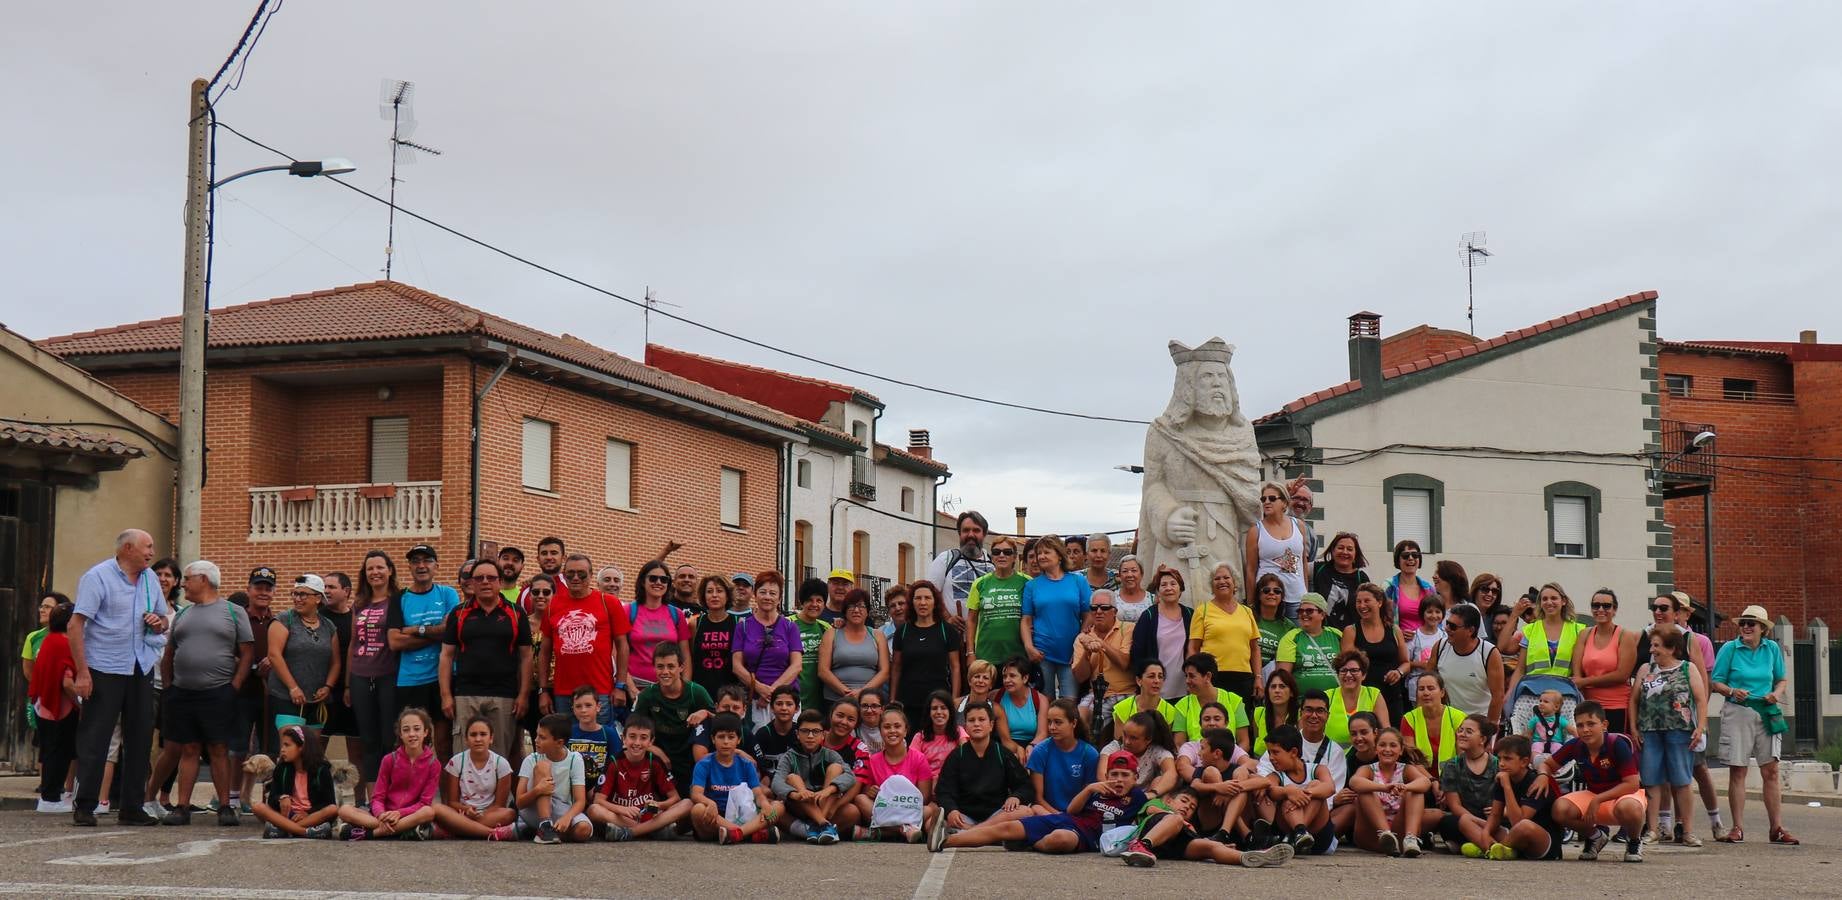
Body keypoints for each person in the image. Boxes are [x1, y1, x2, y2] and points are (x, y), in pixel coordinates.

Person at [68, 528, 169, 827]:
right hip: (104, 667)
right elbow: (76, 625)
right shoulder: (97, 577)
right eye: (147, 547)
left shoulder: (150, 579)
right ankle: (85, 805)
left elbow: (163, 621)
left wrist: (157, 622)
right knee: (96, 737)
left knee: (139, 738)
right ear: (127, 548)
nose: (152, 552)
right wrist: (82, 672)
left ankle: (132, 807)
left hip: (141, 665)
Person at [153, 561, 253, 827]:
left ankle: (225, 807)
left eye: (187, 579)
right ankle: (182, 806)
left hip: (219, 692)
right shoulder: (183, 615)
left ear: (204, 580)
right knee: (189, 748)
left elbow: (247, 653)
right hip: (182, 693)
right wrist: (169, 686)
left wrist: (235, 685)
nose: (183, 583)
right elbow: (170, 653)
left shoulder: (233, 612)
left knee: (218, 748)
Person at [942, 747, 1141, 854]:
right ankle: (945, 841)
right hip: (1066, 820)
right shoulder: (1098, 789)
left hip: (1086, 837)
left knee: (1061, 839)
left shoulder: (1138, 797)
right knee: (1007, 828)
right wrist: (1088, 789)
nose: (1119, 780)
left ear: (1135, 778)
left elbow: (1152, 812)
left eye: (1125, 775)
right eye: (1114, 774)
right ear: (1107, 774)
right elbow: (1072, 811)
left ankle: (1030, 843)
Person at [1710, 604, 1796, 845]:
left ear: (1763, 629)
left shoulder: (1772, 649)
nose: (1746, 627)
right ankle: (1737, 827)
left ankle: (1776, 827)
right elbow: (1716, 682)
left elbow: (1781, 679)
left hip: (1766, 710)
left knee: (1771, 770)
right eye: (1743, 623)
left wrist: (1776, 694)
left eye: (1752, 623)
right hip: (1738, 710)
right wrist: (1732, 691)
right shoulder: (1730, 648)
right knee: (1738, 769)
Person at [1645, 591, 1723, 841]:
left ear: (1678, 612)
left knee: (1694, 770)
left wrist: (1700, 723)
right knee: (1660, 775)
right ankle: (1666, 825)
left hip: (1684, 721)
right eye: (1655, 607)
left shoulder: (1692, 639)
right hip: (1656, 721)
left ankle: (1713, 822)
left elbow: (1702, 681)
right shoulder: (1647, 636)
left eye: (1664, 608)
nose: (1658, 612)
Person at [439, 559, 533, 763]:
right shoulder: (459, 613)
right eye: (479, 578)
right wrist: (446, 695)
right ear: (471, 583)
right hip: (465, 695)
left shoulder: (517, 614)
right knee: (463, 758)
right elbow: (446, 655)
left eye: (491, 578)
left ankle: (500, 796)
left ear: (499, 582)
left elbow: (526, 657)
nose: (485, 582)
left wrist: (523, 695)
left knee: (499, 760)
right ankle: (464, 796)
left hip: (505, 695)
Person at [1539, 700, 1647, 862]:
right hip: (1595, 794)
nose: (1585, 730)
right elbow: (1546, 764)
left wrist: (1598, 799)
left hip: (1623, 795)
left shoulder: (1616, 744)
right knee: (1559, 809)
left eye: (1591, 724)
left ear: (1604, 725)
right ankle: (1596, 836)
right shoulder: (1576, 745)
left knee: (1629, 808)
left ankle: (1634, 841)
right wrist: (1542, 775)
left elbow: (1632, 784)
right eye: (1580, 725)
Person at [1631, 623, 1707, 847]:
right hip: (1650, 731)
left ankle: (1688, 830)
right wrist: (1635, 728)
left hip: (1679, 730)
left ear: (1672, 648)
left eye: (1657, 646)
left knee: (1682, 780)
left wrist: (1700, 726)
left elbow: (1700, 700)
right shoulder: (1646, 669)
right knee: (1651, 779)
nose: (1652, 650)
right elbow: (1634, 700)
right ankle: (1652, 829)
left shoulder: (1687, 669)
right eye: (1652, 645)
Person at [538, 553, 632, 727]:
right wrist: (543, 690)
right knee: (566, 747)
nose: (575, 578)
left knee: (598, 746)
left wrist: (620, 685)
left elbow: (623, 646)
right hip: (564, 692)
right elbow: (544, 651)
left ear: (590, 575)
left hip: (600, 691)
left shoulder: (608, 602)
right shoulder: (553, 605)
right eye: (570, 574)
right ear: (564, 576)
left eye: (581, 574)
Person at [387, 545, 460, 759]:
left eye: (427, 560)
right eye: (416, 561)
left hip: (441, 679)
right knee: (412, 744)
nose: (421, 565)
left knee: (444, 744)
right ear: (409, 567)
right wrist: (434, 633)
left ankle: (447, 794)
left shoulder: (447, 594)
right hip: (409, 681)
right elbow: (394, 642)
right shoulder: (400, 598)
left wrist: (415, 630)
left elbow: (450, 631)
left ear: (437, 566)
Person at [931, 701, 1033, 847]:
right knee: (931, 822)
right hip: (964, 817)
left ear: (991, 725)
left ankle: (971, 834)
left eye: (982, 719)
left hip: (996, 816)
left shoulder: (1002, 753)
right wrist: (951, 810)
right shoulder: (956, 755)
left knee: (1026, 812)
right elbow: (944, 791)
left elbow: (1025, 785)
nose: (976, 724)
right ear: (965, 726)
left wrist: (1016, 796)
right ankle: (988, 836)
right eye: (971, 720)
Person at [1121, 786, 1295, 868]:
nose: (1186, 808)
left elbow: (1195, 838)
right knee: (1175, 819)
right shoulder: (1159, 804)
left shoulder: (1185, 823)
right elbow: (1150, 810)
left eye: (1191, 808)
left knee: (1212, 846)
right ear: (1169, 800)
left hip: (1173, 846)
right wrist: (1179, 819)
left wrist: (1221, 846)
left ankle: (1250, 857)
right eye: (1183, 801)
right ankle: (1142, 846)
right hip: (1154, 832)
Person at [337, 707, 440, 841]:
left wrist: (399, 813)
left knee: (429, 812)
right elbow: (378, 797)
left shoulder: (433, 763)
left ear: (425, 732)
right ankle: (401, 831)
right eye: (406, 730)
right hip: (383, 815)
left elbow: (424, 802)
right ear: (400, 734)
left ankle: (372, 834)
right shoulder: (390, 759)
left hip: (410, 815)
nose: (412, 734)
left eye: (417, 728)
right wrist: (381, 815)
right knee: (344, 810)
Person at [268, 575, 342, 753]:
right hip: (287, 697)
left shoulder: (328, 626)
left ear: (318, 598)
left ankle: (306, 783)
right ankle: (286, 782)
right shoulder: (285, 620)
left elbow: (336, 661)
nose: (297, 598)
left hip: (315, 700)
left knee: (311, 753)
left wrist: (328, 686)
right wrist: (293, 687)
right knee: (290, 750)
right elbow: (274, 655)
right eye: (295, 593)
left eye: (303, 594)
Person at [589, 715, 693, 842]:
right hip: (623, 818)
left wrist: (659, 804)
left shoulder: (654, 762)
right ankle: (653, 831)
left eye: (643, 738)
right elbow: (598, 800)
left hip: (650, 816)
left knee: (687, 803)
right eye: (632, 737)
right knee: (593, 810)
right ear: (624, 739)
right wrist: (622, 809)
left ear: (651, 741)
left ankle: (631, 833)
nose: (637, 743)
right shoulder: (614, 762)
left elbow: (675, 798)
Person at [346, 551, 398, 805]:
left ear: (390, 570)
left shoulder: (398, 600)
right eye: (370, 569)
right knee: (368, 741)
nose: (375, 572)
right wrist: (347, 682)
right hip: (360, 675)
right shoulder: (359, 603)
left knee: (389, 739)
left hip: (389, 675)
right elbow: (353, 642)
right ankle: (372, 799)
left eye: (380, 567)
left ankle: (391, 797)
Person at [633, 643, 714, 794]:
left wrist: (706, 713)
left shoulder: (696, 692)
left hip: (690, 759)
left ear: (681, 667)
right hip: (659, 759)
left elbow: (724, 723)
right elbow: (632, 731)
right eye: (660, 667)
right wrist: (653, 748)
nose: (665, 672)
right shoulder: (647, 696)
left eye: (671, 666)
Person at [690, 713, 783, 844]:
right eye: (721, 737)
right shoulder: (704, 764)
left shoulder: (746, 764)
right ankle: (749, 834)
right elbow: (696, 794)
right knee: (697, 810)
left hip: (743, 814)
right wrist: (711, 803)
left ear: (738, 740)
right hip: (717, 817)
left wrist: (765, 804)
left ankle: (737, 833)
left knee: (777, 806)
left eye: (731, 737)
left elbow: (758, 794)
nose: (726, 742)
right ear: (713, 739)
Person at [849, 705, 936, 843]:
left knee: (930, 809)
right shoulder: (873, 760)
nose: (892, 731)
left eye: (897, 726)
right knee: (860, 799)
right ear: (880, 731)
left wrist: (902, 800)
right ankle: (903, 830)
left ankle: (881, 833)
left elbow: (924, 798)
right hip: (885, 811)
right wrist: (871, 792)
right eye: (887, 727)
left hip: (908, 810)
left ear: (906, 731)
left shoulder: (918, 758)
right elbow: (866, 793)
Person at [1021, 535, 1092, 700]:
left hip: (1070, 654)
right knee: (1044, 703)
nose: (1041, 556)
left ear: (1059, 555)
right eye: (1039, 553)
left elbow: (1089, 615)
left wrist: (1080, 644)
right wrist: (1029, 647)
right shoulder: (1032, 586)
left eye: (1046, 552)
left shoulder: (1078, 581)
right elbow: (1026, 620)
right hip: (1042, 654)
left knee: (1069, 703)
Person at [770, 709, 854, 844]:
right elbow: (776, 782)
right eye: (805, 731)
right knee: (792, 778)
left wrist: (829, 790)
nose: (810, 736)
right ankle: (824, 825)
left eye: (815, 732)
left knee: (852, 810)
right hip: (800, 805)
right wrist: (797, 794)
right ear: (797, 734)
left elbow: (850, 776)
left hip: (823, 802)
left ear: (823, 735)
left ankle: (814, 828)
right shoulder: (789, 756)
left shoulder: (830, 754)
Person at [1348, 727, 1435, 857]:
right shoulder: (1368, 769)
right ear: (1376, 749)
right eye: (1382, 745)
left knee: (1415, 791)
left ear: (1400, 751)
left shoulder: (1406, 769)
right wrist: (1383, 787)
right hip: (1371, 833)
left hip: (1397, 831)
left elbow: (1425, 782)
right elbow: (1354, 782)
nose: (1387, 749)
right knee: (1365, 791)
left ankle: (1410, 838)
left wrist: (1406, 787)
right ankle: (1385, 834)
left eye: (1393, 745)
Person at [733, 571, 803, 730]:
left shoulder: (790, 627)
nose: (767, 597)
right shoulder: (743, 626)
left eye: (773, 593)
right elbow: (736, 666)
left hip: (787, 699)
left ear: (779, 598)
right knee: (759, 745)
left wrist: (771, 693)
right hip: (756, 700)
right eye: (763, 592)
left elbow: (796, 665)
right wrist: (759, 688)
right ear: (755, 595)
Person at [233, 568, 278, 811]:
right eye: (258, 587)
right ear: (249, 589)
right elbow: (229, 654)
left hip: (270, 695)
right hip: (243, 692)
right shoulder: (238, 619)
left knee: (270, 750)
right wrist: (251, 668)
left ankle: (268, 799)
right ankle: (233, 797)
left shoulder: (278, 622)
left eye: (268, 588)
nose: (263, 592)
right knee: (238, 748)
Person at [430, 715, 516, 840]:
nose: (478, 739)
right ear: (466, 739)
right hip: (462, 814)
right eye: (473, 735)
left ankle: (457, 830)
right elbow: (452, 802)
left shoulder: (501, 764)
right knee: (437, 808)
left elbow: (499, 805)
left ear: (491, 738)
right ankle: (491, 833)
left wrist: (481, 814)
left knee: (510, 813)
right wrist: (467, 810)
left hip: (488, 815)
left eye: (483, 734)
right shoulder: (456, 762)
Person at [29, 600, 79, 813]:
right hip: (60, 707)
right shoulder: (66, 643)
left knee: (49, 751)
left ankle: (49, 797)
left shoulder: (49, 640)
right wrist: (79, 702)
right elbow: (67, 681)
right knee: (60, 753)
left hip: (43, 704)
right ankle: (51, 798)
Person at [1253, 724, 1334, 852]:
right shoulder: (1276, 775)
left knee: (1316, 786)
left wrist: (1305, 793)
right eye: (1269, 752)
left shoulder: (1317, 769)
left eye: (1275, 752)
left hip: (1319, 836)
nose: (1271, 758)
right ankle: (1299, 832)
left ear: (1294, 752)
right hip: (1286, 827)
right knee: (1288, 795)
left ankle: (1298, 834)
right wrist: (1288, 791)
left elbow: (1330, 788)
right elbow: (1272, 790)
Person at [1481, 735, 1563, 861]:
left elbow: (1518, 822)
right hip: (1515, 836)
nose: (1502, 764)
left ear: (1524, 762)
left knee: (1525, 826)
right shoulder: (1503, 778)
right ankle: (1493, 847)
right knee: (1467, 820)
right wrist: (1485, 833)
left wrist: (1507, 787)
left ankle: (1490, 849)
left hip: (1543, 843)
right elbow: (1495, 815)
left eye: (1507, 759)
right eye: (1500, 758)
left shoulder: (1535, 782)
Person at [1188, 564, 1260, 706]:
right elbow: (1193, 648)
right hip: (1212, 677)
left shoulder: (1247, 611)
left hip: (1243, 677)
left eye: (1226, 577)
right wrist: (1193, 677)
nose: (1222, 581)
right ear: (1211, 585)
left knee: (1241, 723)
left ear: (1235, 583)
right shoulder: (1202, 610)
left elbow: (1255, 648)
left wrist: (1258, 678)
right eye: (1217, 579)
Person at [515, 713, 593, 844]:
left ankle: (535, 831)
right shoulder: (531, 759)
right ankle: (545, 826)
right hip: (533, 809)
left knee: (583, 830)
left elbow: (580, 800)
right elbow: (519, 803)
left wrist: (567, 818)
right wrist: (537, 790)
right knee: (542, 766)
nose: (536, 740)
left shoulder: (575, 759)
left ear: (559, 742)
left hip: (560, 808)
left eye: (542, 737)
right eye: (537, 735)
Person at [250, 724, 338, 839]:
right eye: (282, 745)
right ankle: (306, 832)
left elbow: (328, 802)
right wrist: (281, 798)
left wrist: (308, 813)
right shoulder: (282, 768)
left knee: (332, 809)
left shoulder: (321, 770)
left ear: (302, 747)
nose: (282, 749)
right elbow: (272, 800)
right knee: (258, 807)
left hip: (310, 817)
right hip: (287, 815)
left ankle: (283, 830)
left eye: (287, 745)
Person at [1426, 603, 1505, 728]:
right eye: (1447, 623)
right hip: (1449, 720)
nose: (1447, 629)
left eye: (1453, 626)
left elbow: (1498, 696)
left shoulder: (1489, 653)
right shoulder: (1440, 647)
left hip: (1480, 722)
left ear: (1470, 630)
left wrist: (1490, 729)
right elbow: (1427, 683)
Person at [891, 580, 964, 712]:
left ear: (935, 602)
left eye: (927, 598)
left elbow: (955, 667)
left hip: (938, 704)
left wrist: (954, 699)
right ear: (912, 603)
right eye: (918, 598)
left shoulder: (947, 630)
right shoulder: (902, 631)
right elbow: (896, 667)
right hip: (907, 702)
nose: (922, 602)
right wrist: (893, 700)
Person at [317, 570, 361, 785]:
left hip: (352, 691)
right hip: (324, 692)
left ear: (346, 591)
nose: (326, 591)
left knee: (357, 752)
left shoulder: (357, 617)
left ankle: (361, 802)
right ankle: (317, 797)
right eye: (324, 587)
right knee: (316, 751)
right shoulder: (317, 617)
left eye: (331, 587)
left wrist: (349, 687)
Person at [1574, 589, 1639, 735]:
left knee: (1614, 750)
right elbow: (1577, 670)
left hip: (1616, 705)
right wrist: (1581, 684)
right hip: (1588, 705)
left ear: (1614, 610)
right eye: (1596, 606)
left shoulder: (1625, 636)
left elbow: (1622, 675)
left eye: (1606, 606)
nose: (1601, 610)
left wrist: (1584, 682)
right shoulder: (1585, 634)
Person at [1072, 592, 1135, 736]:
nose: (1099, 611)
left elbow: (1124, 663)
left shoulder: (1128, 629)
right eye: (1094, 608)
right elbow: (1080, 677)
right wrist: (1087, 653)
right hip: (1097, 694)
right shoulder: (1083, 637)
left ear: (1115, 611)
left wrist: (1101, 644)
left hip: (1126, 693)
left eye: (1105, 607)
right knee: (1079, 719)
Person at [1438, 714, 1500, 857]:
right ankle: (1491, 846)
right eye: (1460, 730)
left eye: (1469, 732)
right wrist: (1477, 824)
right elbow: (1455, 806)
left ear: (1482, 739)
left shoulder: (1498, 764)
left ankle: (1478, 845)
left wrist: (1501, 812)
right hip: (1465, 820)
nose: (1462, 734)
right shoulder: (1452, 765)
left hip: (1494, 819)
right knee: (1447, 822)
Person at [1342, 583, 1409, 714]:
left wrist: (1398, 672)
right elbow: (1346, 666)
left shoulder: (1395, 630)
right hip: (1363, 696)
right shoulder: (1351, 631)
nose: (1362, 606)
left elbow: (1406, 663)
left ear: (1379, 602)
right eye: (1358, 602)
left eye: (1367, 601)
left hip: (1392, 695)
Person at [1246, 483, 1309, 621]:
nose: (1267, 502)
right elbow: (1250, 570)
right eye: (1263, 499)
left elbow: (1303, 562)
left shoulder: (1299, 526)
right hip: (1268, 598)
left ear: (1285, 503)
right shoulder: (1256, 531)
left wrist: (1306, 594)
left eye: (1272, 498)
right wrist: (1250, 605)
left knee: (1295, 640)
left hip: (1297, 597)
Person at [1499, 583, 1586, 682]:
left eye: (1554, 598)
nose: (1549, 602)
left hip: (1564, 690)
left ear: (1563, 601)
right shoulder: (1529, 630)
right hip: (1534, 690)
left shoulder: (1578, 630)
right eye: (1544, 599)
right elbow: (1504, 649)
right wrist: (1514, 614)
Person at [629, 559, 693, 693]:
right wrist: (630, 688)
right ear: (642, 581)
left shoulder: (677, 614)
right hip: (636, 687)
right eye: (653, 578)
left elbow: (685, 655)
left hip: (670, 688)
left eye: (664, 580)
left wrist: (685, 688)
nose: (658, 583)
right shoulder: (629, 611)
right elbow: (618, 654)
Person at [1128, 568, 1192, 699]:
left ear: (1181, 588)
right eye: (1163, 585)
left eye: (1173, 584)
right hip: (1155, 687)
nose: (1169, 588)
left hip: (1184, 687)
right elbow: (1137, 652)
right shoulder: (1149, 616)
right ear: (1157, 591)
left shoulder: (1190, 614)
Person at [966, 535, 1028, 667]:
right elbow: (971, 620)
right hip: (986, 657)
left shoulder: (1027, 582)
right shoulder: (979, 583)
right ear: (992, 557)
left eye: (1007, 552)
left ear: (1014, 557)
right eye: (996, 552)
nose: (1001, 555)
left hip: (1018, 658)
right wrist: (970, 653)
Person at [818, 589, 889, 706]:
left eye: (861, 606)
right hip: (836, 700)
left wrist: (862, 693)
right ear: (845, 611)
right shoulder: (831, 634)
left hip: (869, 702)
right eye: (851, 606)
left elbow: (885, 671)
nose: (856, 610)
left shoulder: (878, 635)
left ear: (867, 611)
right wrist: (847, 693)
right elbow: (823, 671)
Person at [1028, 699, 1100, 813]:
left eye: (1058, 722)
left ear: (1074, 723)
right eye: (1049, 722)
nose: (1052, 727)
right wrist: (1058, 815)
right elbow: (1038, 798)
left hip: (1077, 814)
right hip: (1047, 813)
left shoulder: (1089, 754)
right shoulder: (1040, 751)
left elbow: (1088, 797)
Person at [928, 511, 994, 623]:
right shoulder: (946, 559)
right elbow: (929, 593)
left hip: (985, 637)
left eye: (976, 530)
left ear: (984, 534)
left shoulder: (993, 564)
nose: (971, 535)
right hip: (953, 637)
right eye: (966, 530)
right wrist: (948, 618)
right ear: (959, 533)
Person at [1175, 654, 1250, 752]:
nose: (1187, 681)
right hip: (1195, 762)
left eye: (1192, 676)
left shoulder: (1234, 700)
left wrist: (1230, 761)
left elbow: (1244, 742)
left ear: (1208, 676)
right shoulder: (1183, 705)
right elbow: (1179, 744)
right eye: (1186, 676)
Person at [1276, 594, 1341, 698]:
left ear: (1322, 614)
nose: (1304, 614)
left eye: (1309, 611)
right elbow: (1283, 677)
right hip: (1303, 703)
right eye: (1300, 611)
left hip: (1336, 700)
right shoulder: (1291, 637)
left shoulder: (1337, 635)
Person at [1109, 659, 1186, 748]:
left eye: (1160, 677)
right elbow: (1120, 744)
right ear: (1139, 680)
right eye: (1151, 676)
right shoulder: (1122, 708)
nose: (1157, 681)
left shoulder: (1170, 711)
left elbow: (1166, 745)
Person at [1101, 711, 1179, 796]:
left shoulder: (1157, 752)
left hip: (1143, 798)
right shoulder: (1114, 747)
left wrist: (1152, 794)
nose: (1127, 742)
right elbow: (1102, 775)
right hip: (1113, 793)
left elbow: (1171, 774)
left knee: (1159, 779)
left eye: (1133, 738)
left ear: (1148, 740)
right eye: (1125, 734)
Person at [688, 575, 740, 698]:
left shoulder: (738, 623)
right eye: (709, 591)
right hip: (701, 692)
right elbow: (690, 657)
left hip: (730, 693)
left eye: (719, 591)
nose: (714, 595)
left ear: (727, 596)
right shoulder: (695, 623)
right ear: (703, 596)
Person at [1400, 671, 1466, 768]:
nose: (1426, 693)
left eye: (1431, 688)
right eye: (1421, 689)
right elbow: (1412, 759)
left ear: (1442, 692)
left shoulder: (1459, 717)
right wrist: (1431, 780)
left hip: (1454, 776)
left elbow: (1463, 758)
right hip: (1420, 777)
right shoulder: (1409, 719)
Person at [1325, 650, 1388, 746]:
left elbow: (1385, 731)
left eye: (1354, 670)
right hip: (1332, 758)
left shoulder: (1373, 694)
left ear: (1364, 675)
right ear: (1338, 674)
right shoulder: (1327, 696)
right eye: (1343, 671)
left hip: (1366, 757)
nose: (1348, 675)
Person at [565, 688, 620, 789]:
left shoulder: (609, 734)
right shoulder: (568, 732)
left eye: (588, 705)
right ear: (573, 709)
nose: (583, 710)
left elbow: (615, 765)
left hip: (600, 787)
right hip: (572, 787)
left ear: (598, 707)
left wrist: (598, 788)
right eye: (578, 706)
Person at [1311, 533, 1369, 630]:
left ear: (1355, 554)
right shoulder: (1318, 569)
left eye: (1350, 549)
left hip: (1349, 636)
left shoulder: (1361, 578)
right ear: (1332, 551)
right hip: (1320, 634)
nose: (1345, 552)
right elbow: (1298, 569)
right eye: (1340, 548)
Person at [791, 578, 831, 712]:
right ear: (802, 602)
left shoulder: (826, 628)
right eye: (809, 600)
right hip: (792, 698)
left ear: (824, 604)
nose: (814, 604)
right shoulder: (788, 624)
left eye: (819, 600)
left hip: (818, 701)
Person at [996, 656, 1047, 758]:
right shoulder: (996, 697)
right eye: (1004, 676)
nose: (1007, 680)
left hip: (1033, 745)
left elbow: (1042, 733)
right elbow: (1004, 739)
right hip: (1005, 746)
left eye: (1012, 676)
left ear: (1025, 678)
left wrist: (1032, 746)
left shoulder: (1040, 699)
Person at [911, 691, 967, 779]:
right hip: (926, 782)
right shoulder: (920, 737)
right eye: (934, 708)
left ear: (950, 711)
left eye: (943, 708)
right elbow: (912, 765)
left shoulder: (959, 731)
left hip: (952, 781)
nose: (939, 712)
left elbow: (966, 757)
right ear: (929, 712)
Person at [749, 685, 801, 777]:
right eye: (779, 704)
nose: (784, 708)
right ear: (772, 708)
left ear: (797, 709)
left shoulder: (800, 733)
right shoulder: (762, 734)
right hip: (767, 781)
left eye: (789, 704)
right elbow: (756, 765)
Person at [1251, 574, 1294, 682]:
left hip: (1271, 676)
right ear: (1259, 595)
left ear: (1282, 596)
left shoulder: (1288, 626)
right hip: (1247, 671)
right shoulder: (1248, 616)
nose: (1271, 593)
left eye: (1277, 591)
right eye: (1266, 590)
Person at [1385, 541, 1434, 633]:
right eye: (1405, 555)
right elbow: (1381, 618)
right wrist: (1398, 633)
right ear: (1397, 560)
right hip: (1398, 643)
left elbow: (1437, 620)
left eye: (1415, 555)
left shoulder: (1429, 589)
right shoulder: (1388, 587)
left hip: (1426, 644)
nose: (1411, 558)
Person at [1403, 596, 1443, 706]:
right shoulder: (1414, 636)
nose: (1434, 616)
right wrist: (1420, 664)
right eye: (1429, 612)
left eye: (1438, 612)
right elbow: (1404, 661)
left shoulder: (1444, 636)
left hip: (1439, 686)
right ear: (1422, 614)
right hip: (1417, 686)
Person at [1251, 668, 1300, 756]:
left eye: (1282, 686)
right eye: (1273, 687)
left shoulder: (1301, 715)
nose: (1277, 690)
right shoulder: (1258, 714)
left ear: (1292, 692)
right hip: (1262, 766)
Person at [1523, 689, 1575, 762]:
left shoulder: (1560, 720)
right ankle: (1536, 762)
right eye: (1540, 701)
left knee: (1559, 749)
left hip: (1556, 742)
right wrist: (1524, 744)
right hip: (1539, 741)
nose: (1541, 703)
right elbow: (1528, 733)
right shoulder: (1535, 719)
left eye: (1546, 702)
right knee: (1535, 748)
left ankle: (1558, 765)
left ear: (1556, 707)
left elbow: (1572, 730)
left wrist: (1580, 739)